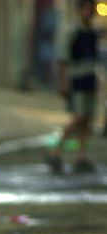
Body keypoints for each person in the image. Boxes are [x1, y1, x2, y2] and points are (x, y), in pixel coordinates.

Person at [47, 0, 100, 174]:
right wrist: (62, 82)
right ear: (79, 11)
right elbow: (63, 58)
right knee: (78, 117)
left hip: (90, 78)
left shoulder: (92, 32)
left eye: (90, 9)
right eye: (85, 8)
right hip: (77, 78)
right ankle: (55, 150)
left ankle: (80, 156)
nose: (88, 12)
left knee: (88, 120)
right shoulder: (73, 31)